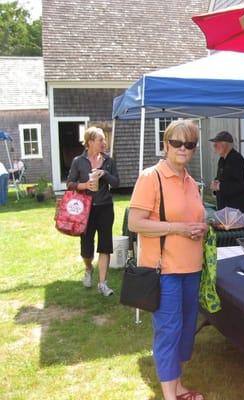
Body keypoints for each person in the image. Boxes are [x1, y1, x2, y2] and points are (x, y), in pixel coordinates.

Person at [128, 120, 207, 400]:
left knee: (186, 331)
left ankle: (178, 385)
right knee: (169, 331)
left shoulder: (191, 181)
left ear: (194, 149)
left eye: (189, 144)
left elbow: (197, 218)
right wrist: (178, 228)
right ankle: (170, 395)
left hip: (192, 269)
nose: (182, 148)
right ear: (165, 144)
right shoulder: (151, 177)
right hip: (165, 270)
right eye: (176, 142)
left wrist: (202, 228)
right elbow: (135, 223)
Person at [66, 127, 119, 296]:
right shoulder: (78, 161)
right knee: (87, 246)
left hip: (105, 208)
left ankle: (103, 283)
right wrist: (84, 185)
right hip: (86, 209)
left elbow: (116, 182)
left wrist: (104, 173)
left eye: (104, 140)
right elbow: (70, 183)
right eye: (100, 140)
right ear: (90, 142)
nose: (104, 143)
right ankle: (88, 268)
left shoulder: (109, 161)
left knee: (105, 246)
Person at [209, 130, 244, 216]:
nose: (214, 146)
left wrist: (220, 186)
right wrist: (215, 184)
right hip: (225, 208)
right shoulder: (222, 160)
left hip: (237, 209)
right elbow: (222, 179)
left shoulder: (236, 159)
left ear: (225, 145)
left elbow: (240, 185)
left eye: (216, 143)